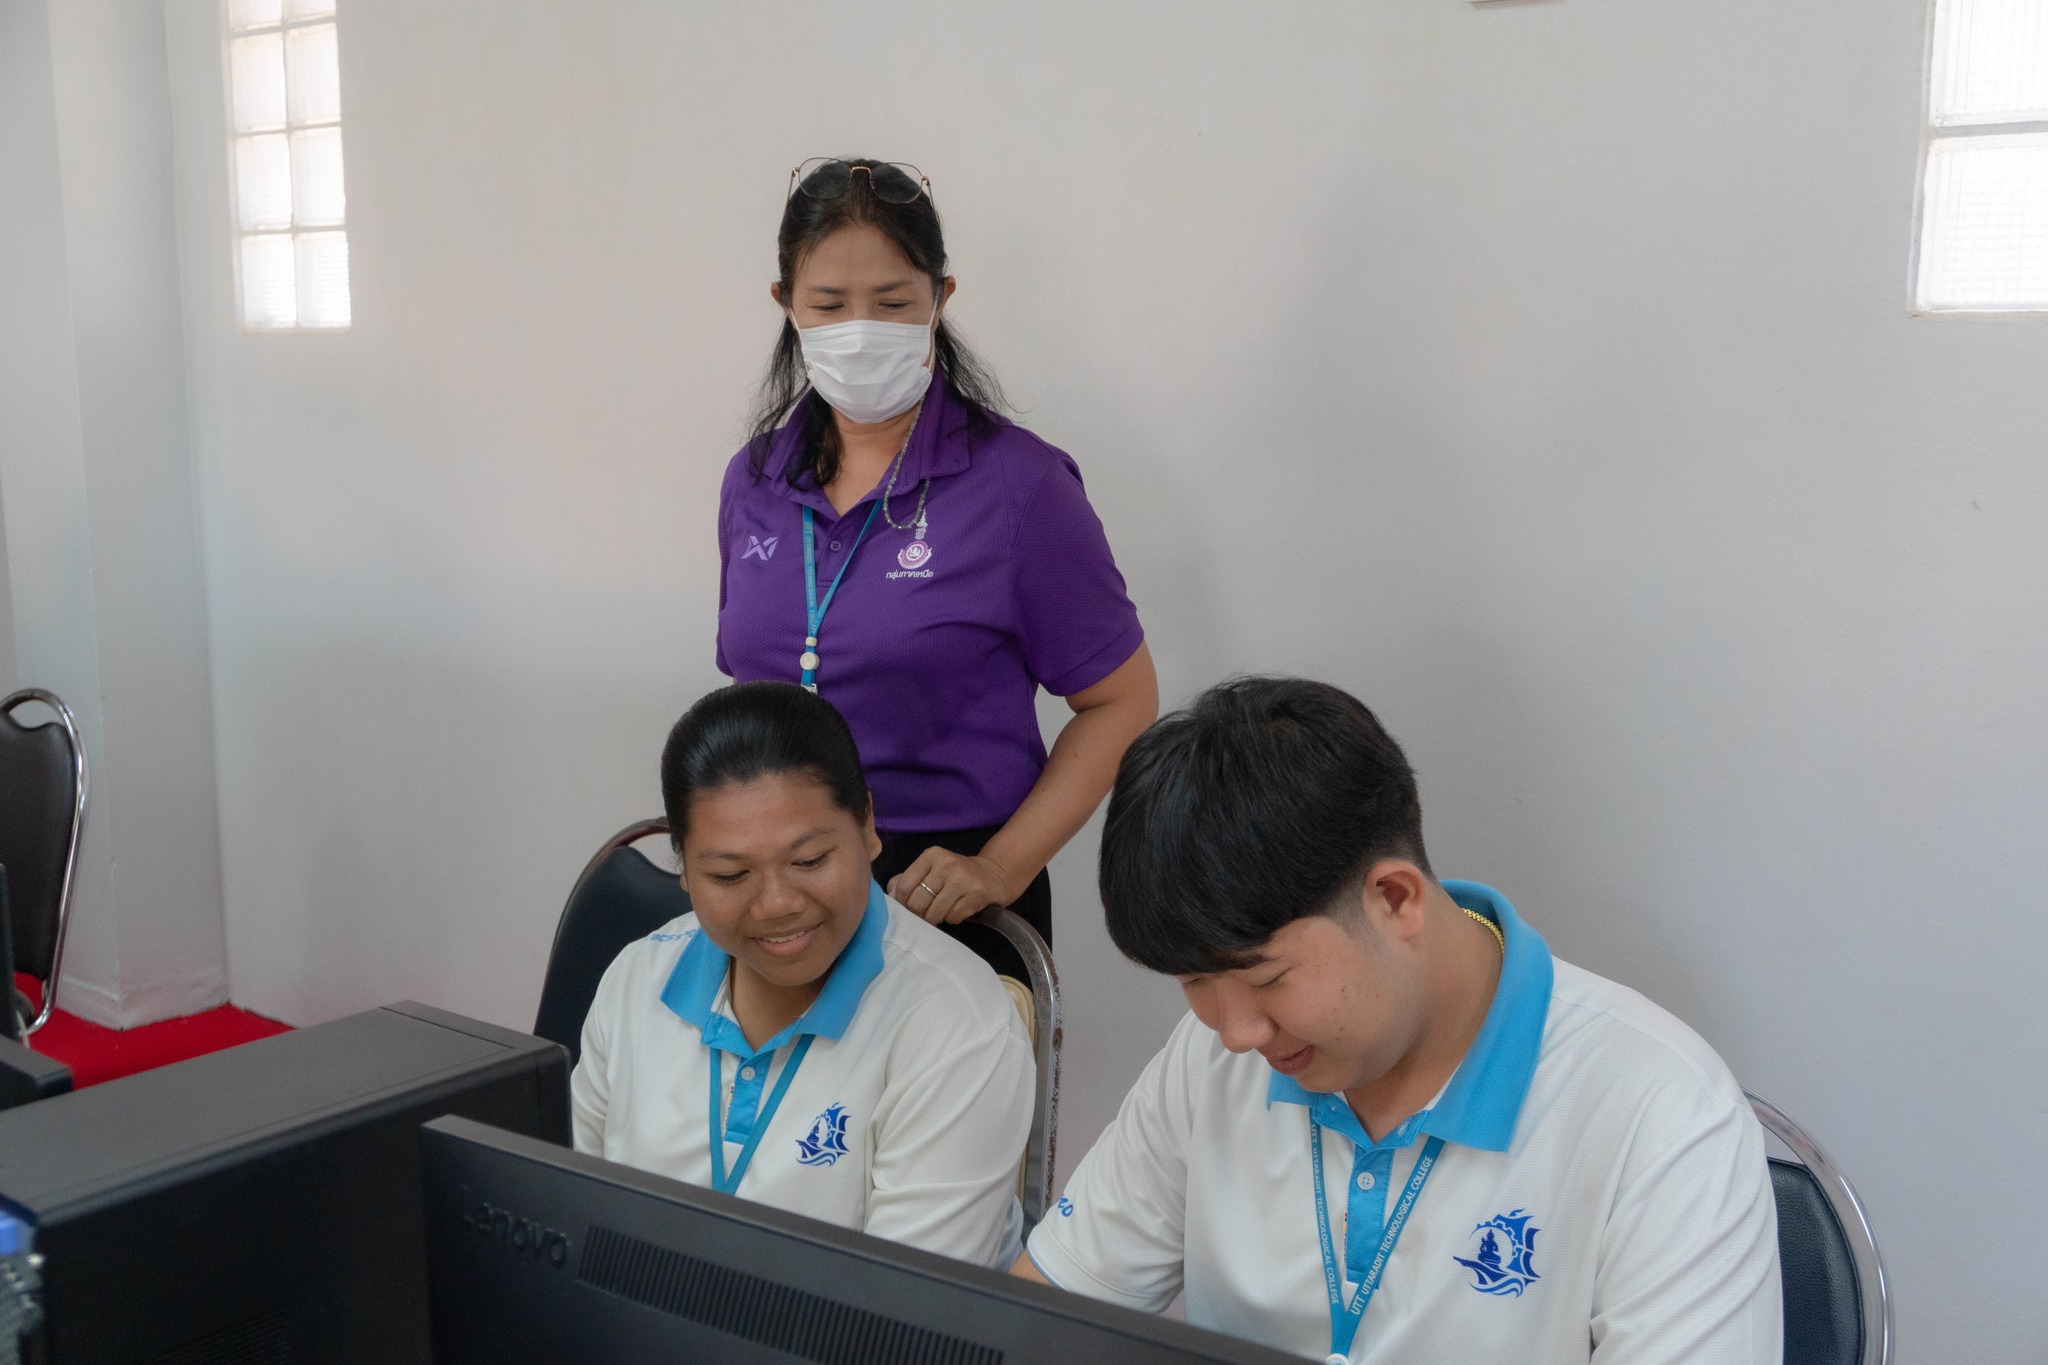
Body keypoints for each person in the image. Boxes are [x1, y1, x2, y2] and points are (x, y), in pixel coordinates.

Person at [1016, 677, 1782, 1363]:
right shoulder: (1212, 1059)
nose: (1235, 1030)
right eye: (1194, 982)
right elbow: (1036, 1317)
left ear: (1395, 898)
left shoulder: (1662, 1114)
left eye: (1266, 978)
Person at [716, 156, 1158, 948]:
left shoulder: (1022, 489)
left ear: (940, 300)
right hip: (783, 890)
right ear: (785, 304)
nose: (860, 329)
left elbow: (1122, 702)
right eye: (828, 303)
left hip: (945, 894)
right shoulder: (754, 481)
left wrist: (1002, 867)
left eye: (892, 303)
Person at [572, 681, 1035, 1270]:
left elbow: (907, 1313)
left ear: (868, 826)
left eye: (809, 861)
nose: (776, 905)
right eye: (730, 875)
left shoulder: (955, 1024)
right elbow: (578, 1211)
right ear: (684, 868)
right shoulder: (639, 979)